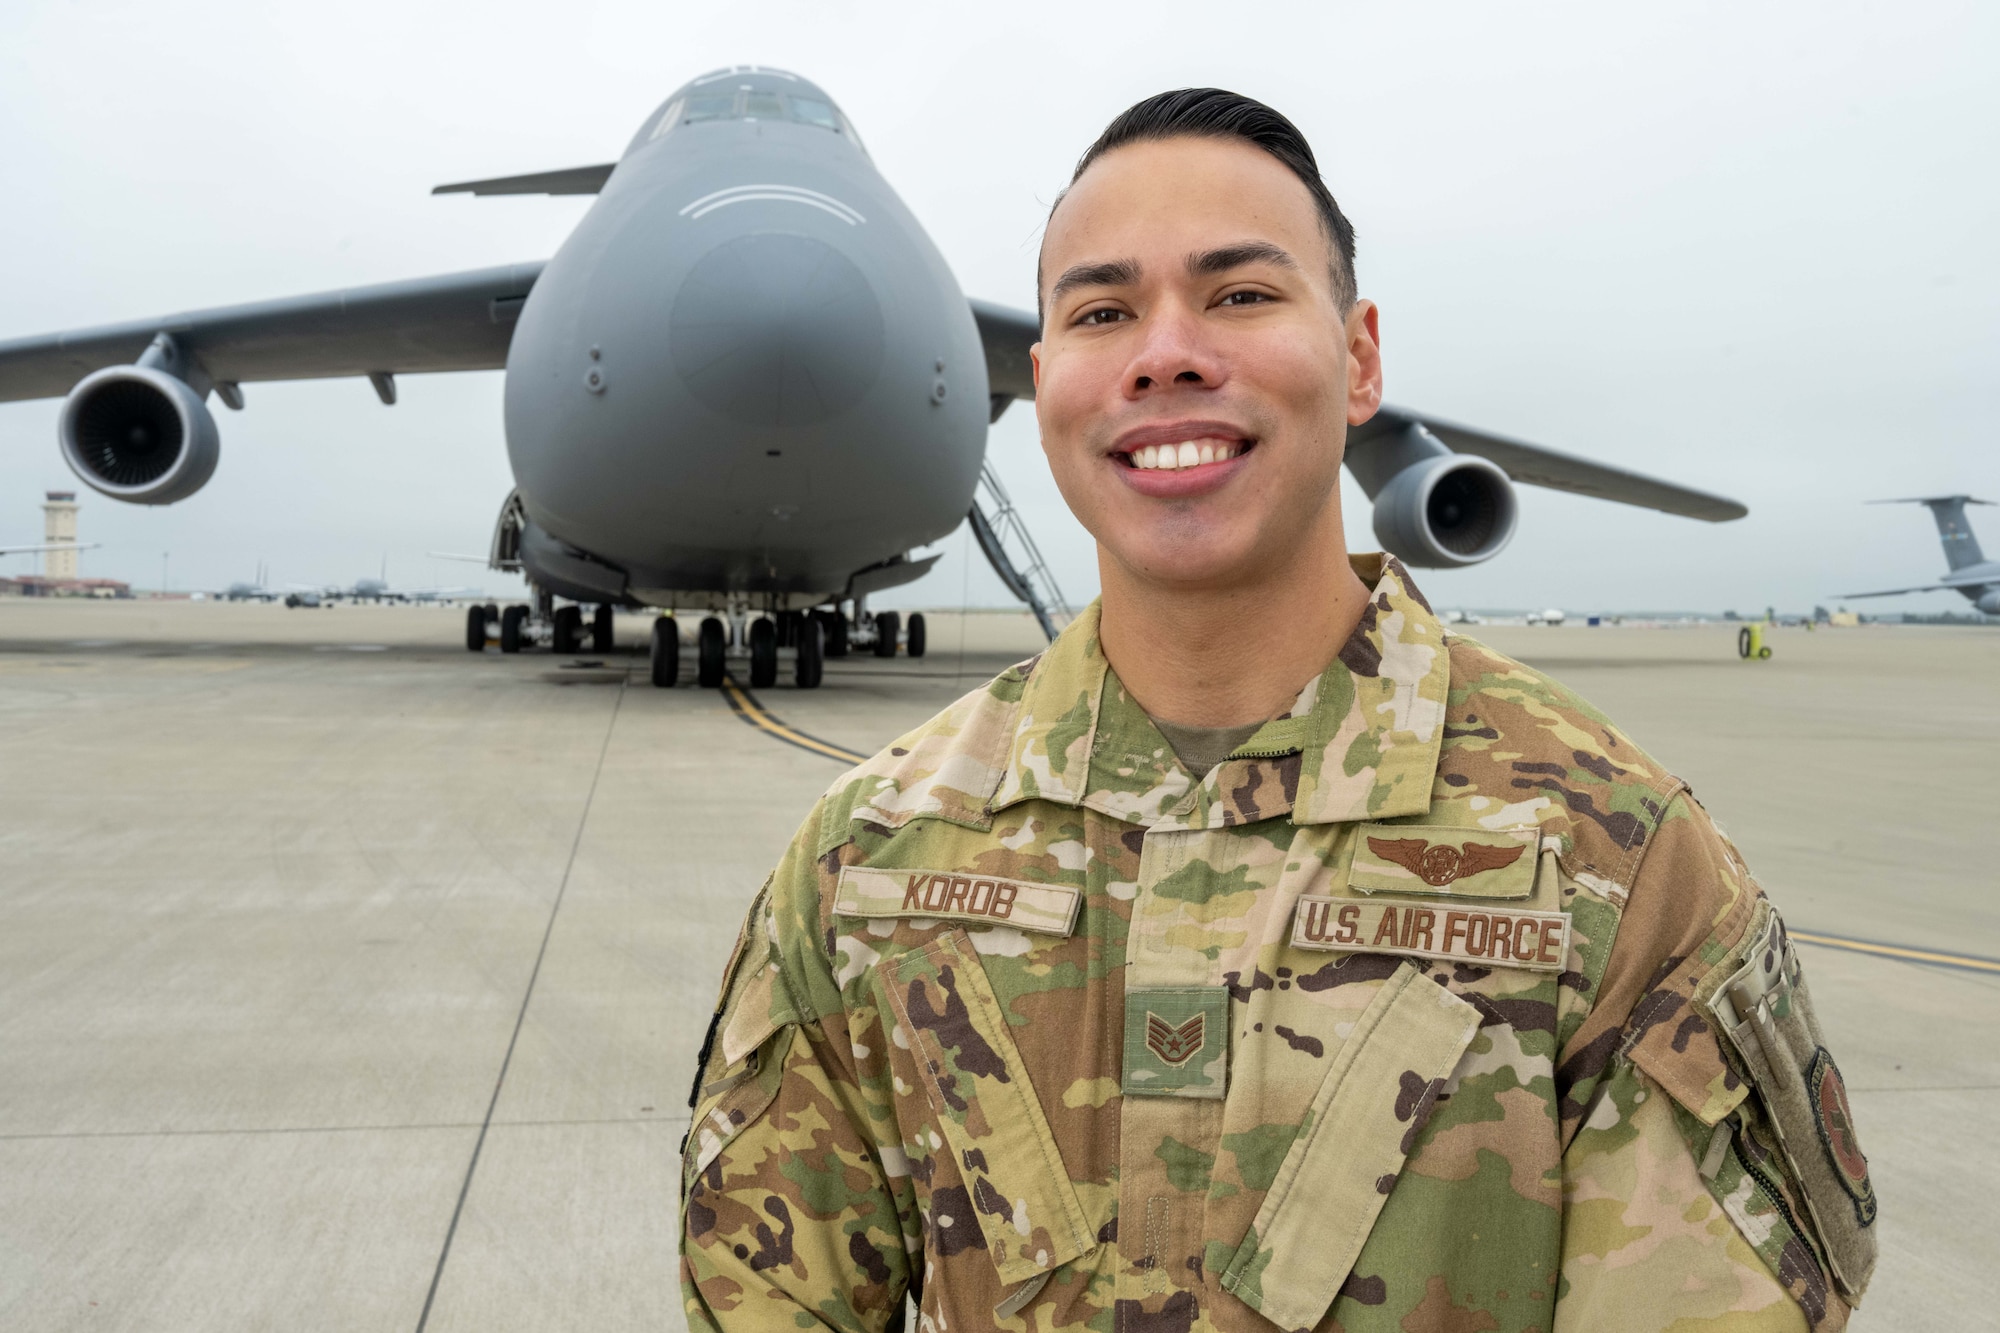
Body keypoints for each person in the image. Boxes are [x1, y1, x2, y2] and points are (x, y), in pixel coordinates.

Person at [680, 89, 1876, 1332]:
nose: (1164, 352)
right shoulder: (872, 858)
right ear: (1041, 388)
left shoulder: (1607, 862)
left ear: (1359, 359)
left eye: (1240, 294)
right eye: (1102, 312)